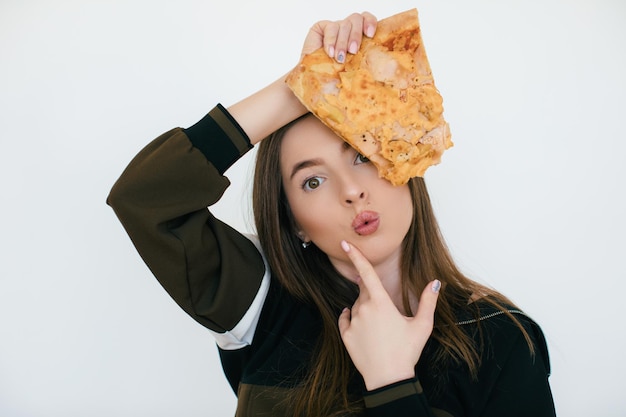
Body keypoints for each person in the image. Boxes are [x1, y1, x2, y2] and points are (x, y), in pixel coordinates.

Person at [107, 11, 556, 417]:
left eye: (361, 154)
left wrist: (392, 384)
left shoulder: (502, 339)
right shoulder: (261, 305)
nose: (352, 190)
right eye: (312, 181)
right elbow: (145, 197)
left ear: (403, 159)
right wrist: (307, 83)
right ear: (294, 221)